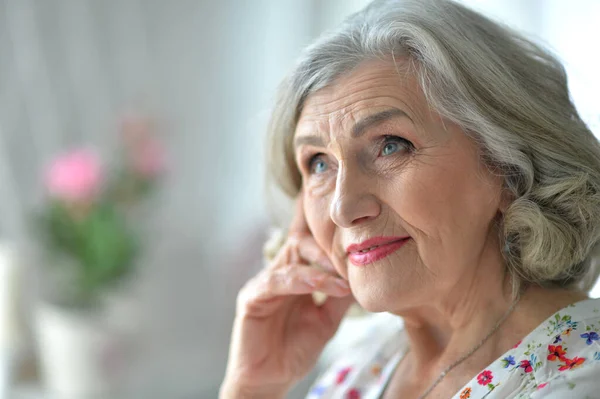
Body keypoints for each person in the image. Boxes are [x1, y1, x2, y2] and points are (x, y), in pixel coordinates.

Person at [220, 0, 600, 397]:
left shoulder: (579, 377)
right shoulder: (364, 364)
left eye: (391, 146)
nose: (343, 208)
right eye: (319, 164)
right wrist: (254, 385)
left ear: (508, 167)